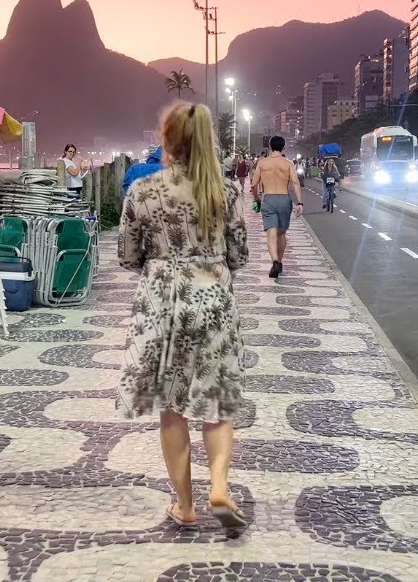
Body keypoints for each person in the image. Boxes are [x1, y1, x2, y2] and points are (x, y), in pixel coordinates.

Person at [117, 101, 249, 529]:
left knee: (172, 409)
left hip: (161, 306)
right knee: (218, 402)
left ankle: (186, 506)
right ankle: (220, 487)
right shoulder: (226, 192)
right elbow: (239, 255)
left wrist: (162, 262)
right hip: (214, 303)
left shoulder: (142, 191)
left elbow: (127, 255)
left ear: (167, 140)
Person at [250, 136, 303, 278]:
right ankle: (279, 261)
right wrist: (299, 203)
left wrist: (256, 199)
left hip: (269, 199)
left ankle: (274, 261)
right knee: (281, 234)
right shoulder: (288, 163)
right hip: (284, 199)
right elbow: (296, 182)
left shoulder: (262, 163)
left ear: (270, 146)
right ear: (283, 147)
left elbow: (254, 184)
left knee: (271, 233)